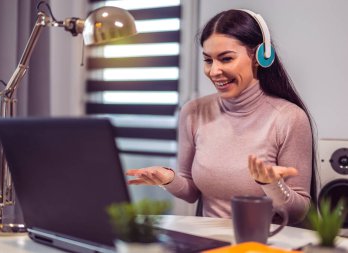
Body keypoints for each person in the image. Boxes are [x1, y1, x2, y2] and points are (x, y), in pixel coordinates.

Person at [126, 9, 316, 225]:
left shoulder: (289, 118)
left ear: (261, 56)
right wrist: (168, 179)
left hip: (261, 243)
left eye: (226, 59)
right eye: (208, 60)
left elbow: (300, 211)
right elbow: (190, 191)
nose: (214, 71)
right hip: (208, 241)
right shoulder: (193, 112)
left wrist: (272, 185)